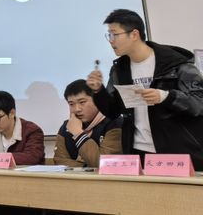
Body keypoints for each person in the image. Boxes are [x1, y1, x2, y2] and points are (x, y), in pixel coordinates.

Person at [87, 9, 203, 169]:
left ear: (134, 34)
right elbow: (113, 111)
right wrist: (98, 91)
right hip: (138, 152)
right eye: (109, 35)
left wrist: (165, 97)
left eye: (114, 34)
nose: (110, 41)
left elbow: (199, 104)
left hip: (177, 152)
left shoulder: (176, 64)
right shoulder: (120, 70)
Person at [53, 79, 122, 168]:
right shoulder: (66, 126)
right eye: (71, 104)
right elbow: (60, 161)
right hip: (76, 177)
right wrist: (87, 168)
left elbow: (105, 164)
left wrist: (78, 133)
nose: (77, 109)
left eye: (82, 102)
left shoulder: (114, 123)